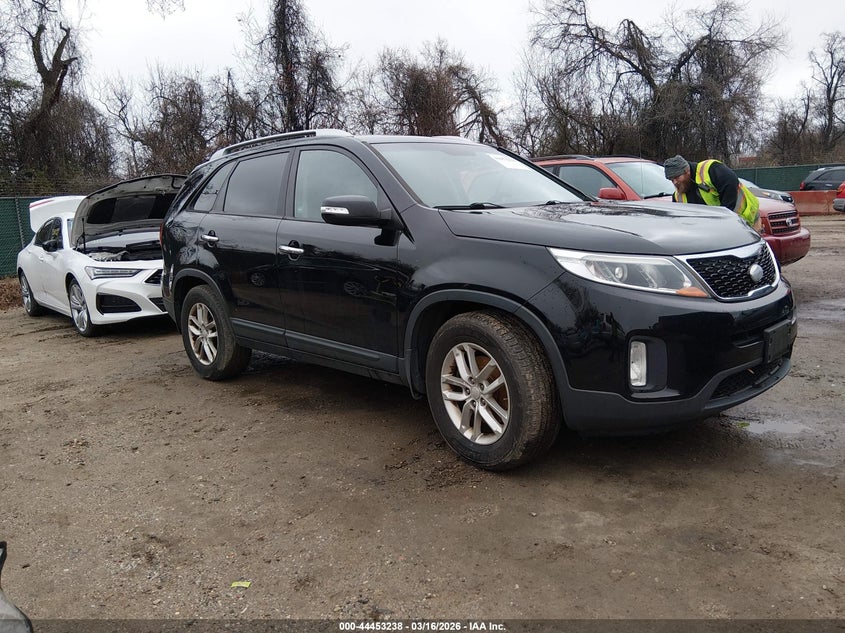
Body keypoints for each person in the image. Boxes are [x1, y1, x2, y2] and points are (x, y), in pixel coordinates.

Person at [663, 155, 761, 232]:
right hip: (721, 231)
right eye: (671, 180)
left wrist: (726, 219)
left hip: (748, 221)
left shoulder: (710, 169)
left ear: (687, 171)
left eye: (677, 177)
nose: (675, 182)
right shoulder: (678, 197)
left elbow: (731, 183)